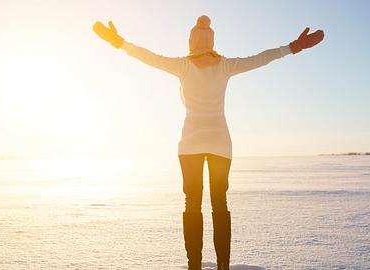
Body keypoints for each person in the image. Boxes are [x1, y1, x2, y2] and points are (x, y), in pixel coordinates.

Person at [93, 15, 324, 270]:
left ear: (191, 41)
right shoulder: (224, 65)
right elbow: (261, 58)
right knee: (220, 203)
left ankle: (194, 265)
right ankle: (223, 265)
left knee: (192, 203)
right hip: (220, 145)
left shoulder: (182, 66)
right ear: (211, 41)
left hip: (189, 145)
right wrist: (293, 47)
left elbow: (149, 57)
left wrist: (119, 42)